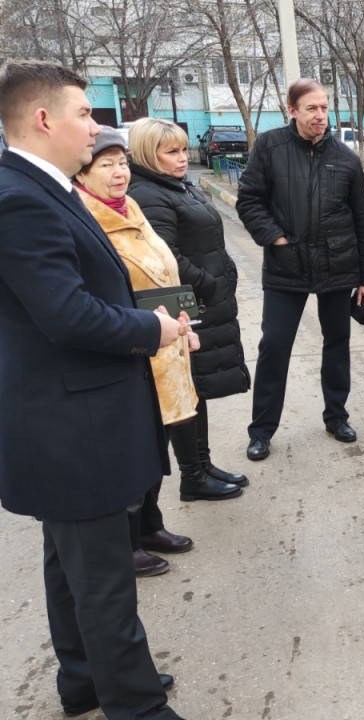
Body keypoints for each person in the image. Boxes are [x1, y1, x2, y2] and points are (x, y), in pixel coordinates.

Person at [0, 61, 185, 719]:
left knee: (73, 572)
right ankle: (136, 706)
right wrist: (156, 326)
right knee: (102, 581)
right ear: (43, 119)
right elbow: (69, 316)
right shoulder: (18, 203)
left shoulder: (43, 191)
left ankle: (86, 681)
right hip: (69, 428)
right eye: (85, 113)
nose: (95, 125)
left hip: (76, 419)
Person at [76, 127, 243, 578]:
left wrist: (180, 319)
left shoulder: (128, 206)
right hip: (131, 343)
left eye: (121, 163)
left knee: (153, 441)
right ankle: (126, 543)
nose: (117, 173)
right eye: (106, 165)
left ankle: (150, 525)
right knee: (132, 445)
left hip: (164, 335)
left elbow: (161, 268)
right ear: (82, 172)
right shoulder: (88, 218)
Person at [236, 78, 364, 461]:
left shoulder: (345, 158)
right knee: (274, 346)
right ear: (292, 110)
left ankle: (337, 416)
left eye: (325, 107)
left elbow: (363, 222)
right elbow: (249, 200)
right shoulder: (270, 147)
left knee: (337, 345)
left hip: (337, 266)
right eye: (312, 108)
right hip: (287, 266)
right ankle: (262, 430)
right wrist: (276, 239)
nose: (321, 116)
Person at [128, 117, 252, 492]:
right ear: (149, 155)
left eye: (184, 150)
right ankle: (192, 477)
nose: (182, 158)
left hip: (203, 305)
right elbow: (166, 256)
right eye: (171, 152)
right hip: (188, 307)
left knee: (196, 390)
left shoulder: (176, 186)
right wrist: (209, 283)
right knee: (186, 392)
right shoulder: (149, 194)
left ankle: (203, 465)